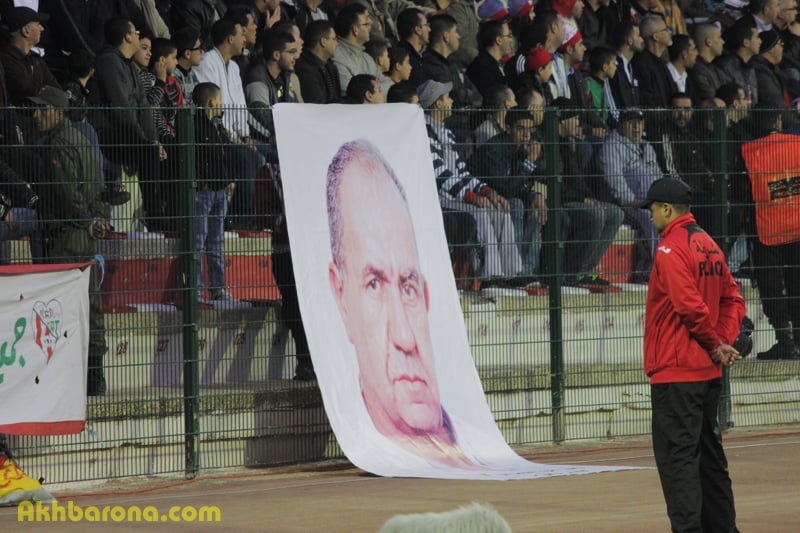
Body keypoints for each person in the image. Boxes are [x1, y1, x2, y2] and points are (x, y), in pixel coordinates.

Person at [326, 138, 476, 467]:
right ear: (341, 296)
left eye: (408, 287)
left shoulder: (476, 436)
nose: (405, 338)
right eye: (374, 284)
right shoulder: (363, 440)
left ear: (426, 295)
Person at [639, 177, 745, 533]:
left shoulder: (670, 249)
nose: (650, 215)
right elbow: (734, 300)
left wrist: (715, 344)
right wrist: (721, 343)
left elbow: (688, 306)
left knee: (678, 462)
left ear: (667, 209)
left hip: (677, 373)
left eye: (653, 208)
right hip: (707, 373)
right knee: (711, 461)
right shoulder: (708, 244)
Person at [28, 86, 111, 396]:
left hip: (66, 238)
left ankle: (68, 379)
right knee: (91, 306)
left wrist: (87, 220)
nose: (36, 116)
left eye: (42, 109)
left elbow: (67, 195)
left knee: (60, 309)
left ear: (58, 112)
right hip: (85, 239)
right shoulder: (83, 140)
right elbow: (98, 188)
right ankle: (95, 377)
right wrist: (96, 219)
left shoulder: (58, 145)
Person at [192, 82, 234, 302]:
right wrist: (202, 183)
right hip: (204, 192)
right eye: (219, 100)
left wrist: (227, 180)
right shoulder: (193, 125)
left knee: (217, 242)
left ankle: (219, 289)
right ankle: (197, 290)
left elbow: (225, 153)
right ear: (211, 102)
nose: (222, 104)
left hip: (219, 191)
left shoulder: (218, 127)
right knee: (198, 241)